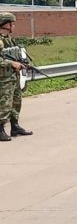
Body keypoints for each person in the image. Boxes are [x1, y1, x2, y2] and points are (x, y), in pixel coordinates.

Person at [0, 12, 33, 141]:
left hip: (13, 77)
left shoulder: (9, 39)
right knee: (4, 104)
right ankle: (0, 130)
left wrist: (23, 62)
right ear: (5, 24)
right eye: (12, 23)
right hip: (3, 79)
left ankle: (15, 126)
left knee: (16, 102)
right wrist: (12, 63)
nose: (14, 26)